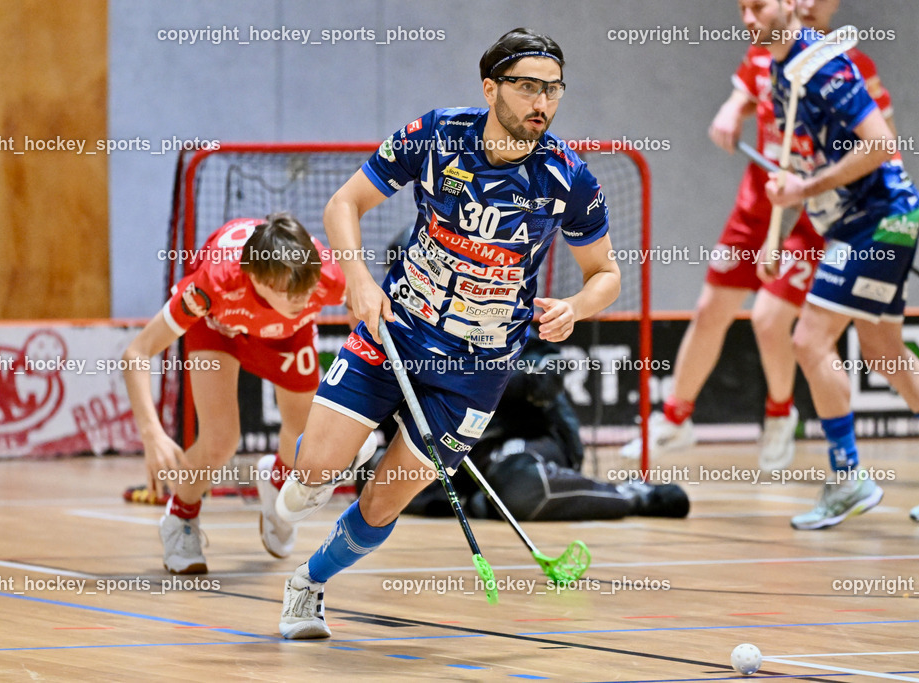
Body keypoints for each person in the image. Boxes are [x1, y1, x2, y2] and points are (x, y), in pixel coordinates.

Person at [273, 27, 621, 639]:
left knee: (383, 503)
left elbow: (606, 275)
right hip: (395, 335)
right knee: (310, 477)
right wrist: (356, 277)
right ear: (491, 88)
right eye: (528, 87)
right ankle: (327, 457)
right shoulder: (437, 135)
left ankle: (309, 582)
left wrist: (577, 306)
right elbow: (343, 205)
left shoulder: (567, 178)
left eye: (554, 90)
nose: (542, 103)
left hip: (478, 371)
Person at [622, 0, 896, 472]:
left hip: (808, 209)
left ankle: (779, 415)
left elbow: (882, 140)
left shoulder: (844, 63)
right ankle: (674, 417)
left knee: (772, 320)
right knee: (711, 309)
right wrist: (730, 111)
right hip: (759, 199)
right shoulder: (767, 50)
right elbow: (746, 93)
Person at [741, 0, 919, 529]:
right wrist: (780, 227)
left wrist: (805, 188)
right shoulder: (783, 71)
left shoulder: (825, 65)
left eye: (759, 5)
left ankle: (847, 477)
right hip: (856, 221)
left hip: (882, 216)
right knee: (884, 350)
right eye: (742, 8)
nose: (750, 18)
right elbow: (802, 161)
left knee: (808, 340)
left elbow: (881, 144)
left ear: (790, 5)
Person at [121, 212, 372, 573]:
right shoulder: (214, 284)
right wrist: (151, 433)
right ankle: (181, 517)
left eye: (308, 289)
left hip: (289, 330)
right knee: (221, 439)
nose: (304, 297)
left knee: (306, 433)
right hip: (219, 328)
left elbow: (358, 308)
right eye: (292, 292)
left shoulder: (326, 275)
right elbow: (137, 352)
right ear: (255, 277)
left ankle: (278, 483)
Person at [392, 329, 690, 522]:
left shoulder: (496, 318)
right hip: (459, 456)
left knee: (518, 484)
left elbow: (548, 375)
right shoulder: (408, 340)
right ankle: (478, 503)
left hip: (527, 439)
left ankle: (632, 495)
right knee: (382, 477)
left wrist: (470, 376)